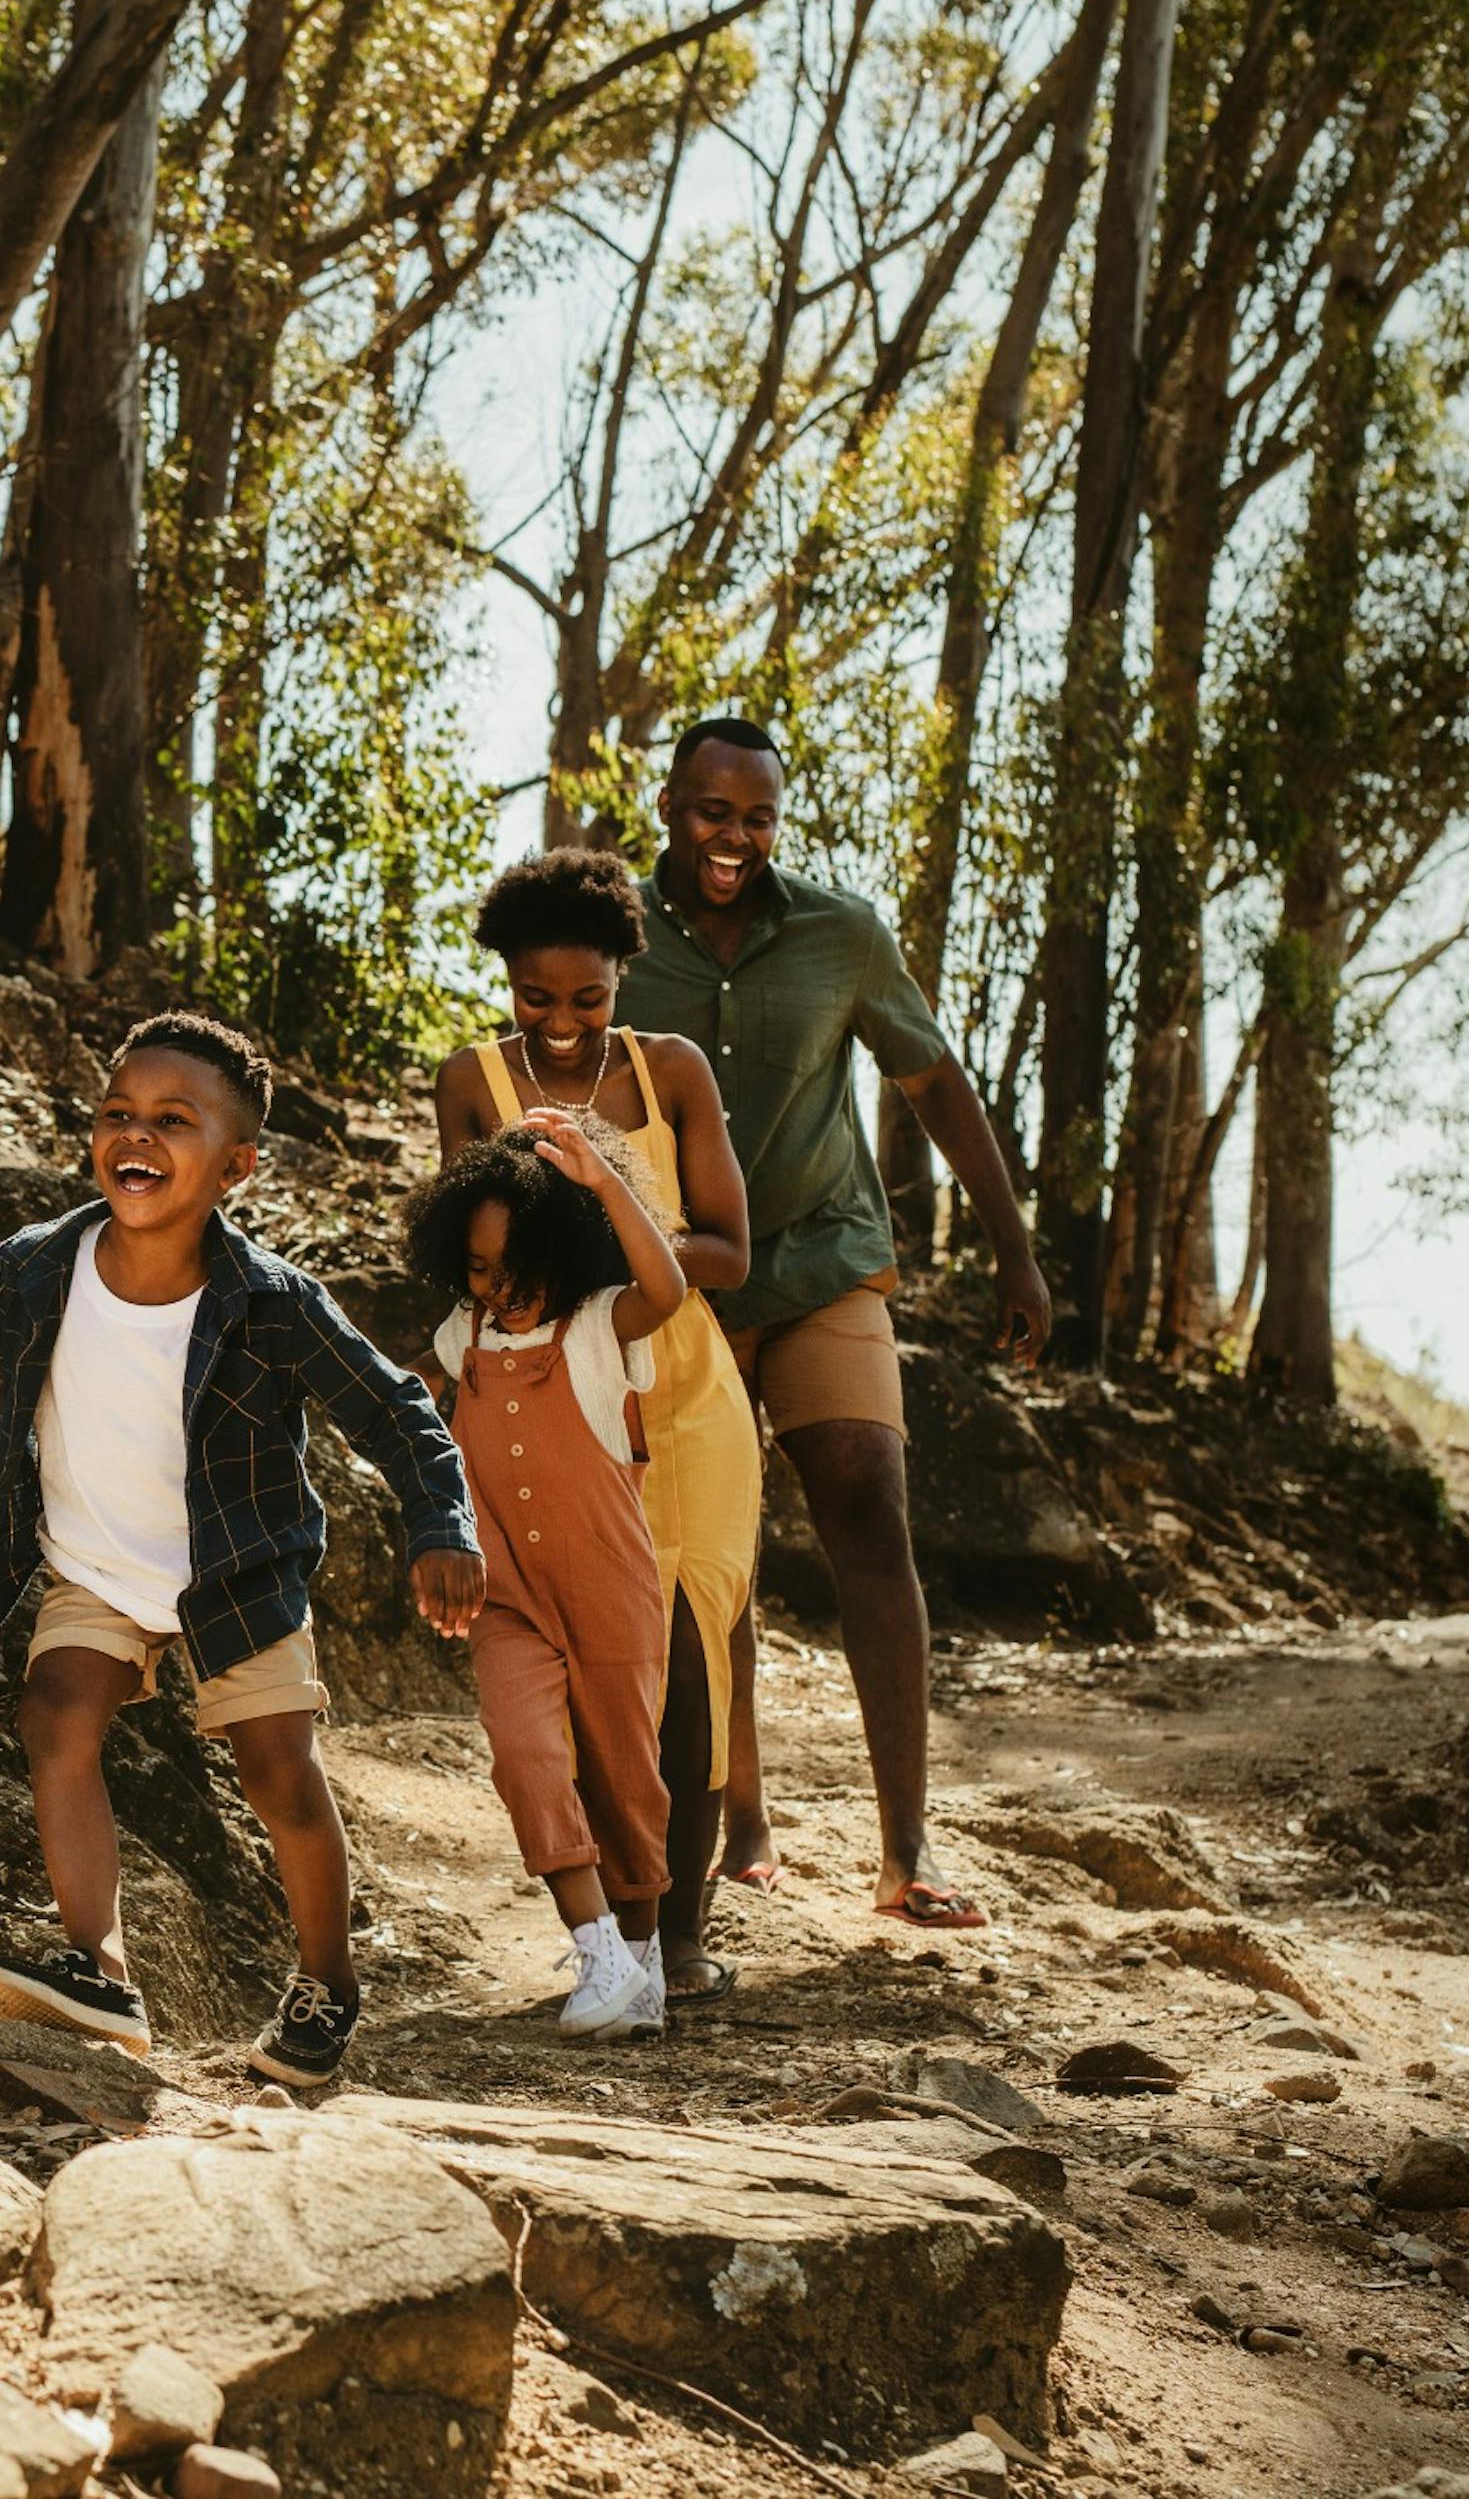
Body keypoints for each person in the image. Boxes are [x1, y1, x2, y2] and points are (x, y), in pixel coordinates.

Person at [0, 1011, 484, 2087]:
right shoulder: (48, 1268)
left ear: (237, 1166)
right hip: (97, 1568)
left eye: (174, 1120)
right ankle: (102, 1971)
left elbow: (396, 1409)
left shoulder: (273, 1304)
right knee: (54, 1717)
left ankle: (327, 1982)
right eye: (118, 1112)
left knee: (278, 1773)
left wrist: (440, 1522)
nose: (137, 1134)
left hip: (238, 1573)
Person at [617, 717, 1052, 1932]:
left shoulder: (841, 933)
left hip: (822, 1259)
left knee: (868, 1495)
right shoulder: (618, 935)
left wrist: (1013, 1246)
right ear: (667, 805)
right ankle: (742, 1821)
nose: (734, 838)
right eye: (712, 810)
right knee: (715, 1552)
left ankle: (905, 1849)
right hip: (684, 1277)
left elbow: (935, 1082)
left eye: (757, 817)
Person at [431, 847, 761, 2003]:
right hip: (560, 1387)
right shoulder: (471, 1080)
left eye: (588, 998)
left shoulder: (673, 1070)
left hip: (679, 1382)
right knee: (580, 1672)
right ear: (506, 980)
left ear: (625, 978)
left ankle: (681, 1932)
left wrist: (615, 1223)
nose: (562, 1024)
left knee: (688, 1649)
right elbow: (470, 1245)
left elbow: (725, 1247)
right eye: (537, 997)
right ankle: (613, 1936)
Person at [404, 1116, 689, 2035]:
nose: (501, 1287)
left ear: (570, 1245)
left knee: (625, 1780)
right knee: (524, 1752)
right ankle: (596, 1944)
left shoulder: (604, 1325)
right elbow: (401, 1399)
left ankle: (639, 1963)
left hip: (611, 1594)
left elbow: (669, 1285)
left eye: (520, 1264)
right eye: (481, 1268)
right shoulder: (464, 1334)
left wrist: (606, 1182)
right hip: (508, 1599)